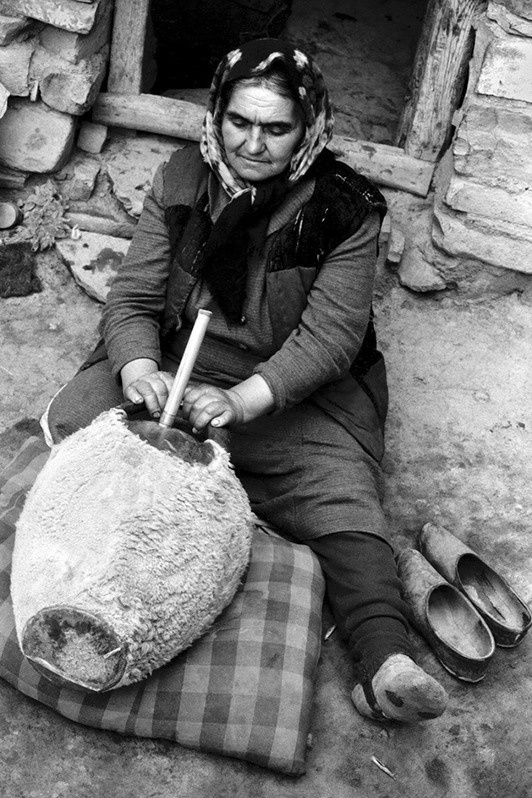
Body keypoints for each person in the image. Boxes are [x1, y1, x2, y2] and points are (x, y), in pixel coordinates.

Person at [46, 39, 447, 722]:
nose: (253, 144)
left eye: (276, 128)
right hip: (179, 365)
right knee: (78, 421)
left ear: (308, 128)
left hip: (288, 394)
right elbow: (135, 299)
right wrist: (142, 370)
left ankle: (384, 659)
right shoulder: (179, 177)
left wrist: (241, 399)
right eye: (239, 121)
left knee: (342, 494)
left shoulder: (347, 209)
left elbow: (330, 339)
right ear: (216, 114)